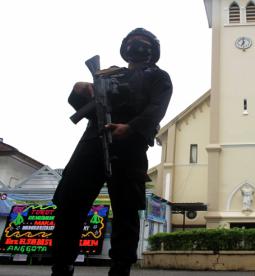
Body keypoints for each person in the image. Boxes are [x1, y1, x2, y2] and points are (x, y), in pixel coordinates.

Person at [51, 28, 173, 276]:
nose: (137, 46)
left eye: (144, 43)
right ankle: (62, 264)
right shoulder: (107, 74)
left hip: (130, 146)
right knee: (69, 201)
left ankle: (120, 267)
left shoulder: (159, 77)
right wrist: (80, 89)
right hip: (94, 141)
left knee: (127, 209)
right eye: (132, 42)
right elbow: (82, 105)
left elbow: (156, 109)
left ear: (153, 52)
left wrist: (131, 128)